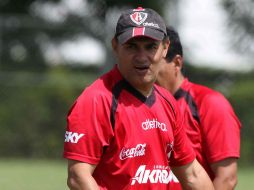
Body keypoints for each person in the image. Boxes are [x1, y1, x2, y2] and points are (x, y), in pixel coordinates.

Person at [63, 7, 214, 190]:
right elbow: (78, 178)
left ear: (165, 48)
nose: (142, 57)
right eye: (131, 46)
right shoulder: (96, 100)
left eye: (151, 47)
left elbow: (192, 174)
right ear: (115, 47)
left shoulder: (167, 102)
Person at [156, 26, 241, 190]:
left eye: (155, 63)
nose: (148, 70)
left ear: (177, 63)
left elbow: (227, 178)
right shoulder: (140, 105)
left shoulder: (210, 103)